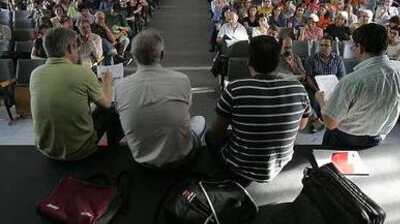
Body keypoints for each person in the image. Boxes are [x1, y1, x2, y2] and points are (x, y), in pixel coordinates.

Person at [206, 36, 310, 184]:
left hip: (239, 167)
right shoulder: (298, 90)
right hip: (281, 164)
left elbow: (218, 130)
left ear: (249, 61)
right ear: (277, 62)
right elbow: (301, 126)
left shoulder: (235, 89)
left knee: (209, 136)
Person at [115, 29, 206, 168]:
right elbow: (185, 109)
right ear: (162, 55)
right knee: (199, 120)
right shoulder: (182, 80)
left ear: (133, 56)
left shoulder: (120, 86)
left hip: (143, 162)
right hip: (181, 159)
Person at [30, 27, 124, 161]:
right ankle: (112, 156)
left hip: (46, 149)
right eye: (76, 48)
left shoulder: (35, 74)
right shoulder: (83, 73)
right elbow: (107, 103)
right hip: (78, 150)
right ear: (70, 48)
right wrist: (107, 82)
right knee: (112, 111)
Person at [316, 23, 400, 148]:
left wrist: (321, 101)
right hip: (379, 139)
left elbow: (330, 123)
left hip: (346, 139)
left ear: (360, 47)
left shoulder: (352, 81)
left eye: (354, 46)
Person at [305, 35, 346, 132]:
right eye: (321, 45)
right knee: (315, 100)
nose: (323, 47)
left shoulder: (338, 59)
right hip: (316, 87)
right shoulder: (312, 59)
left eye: (326, 46)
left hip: (333, 88)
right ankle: (318, 121)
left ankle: (333, 121)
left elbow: (342, 76)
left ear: (331, 47)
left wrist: (335, 88)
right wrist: (316, 90)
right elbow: (308, 77)